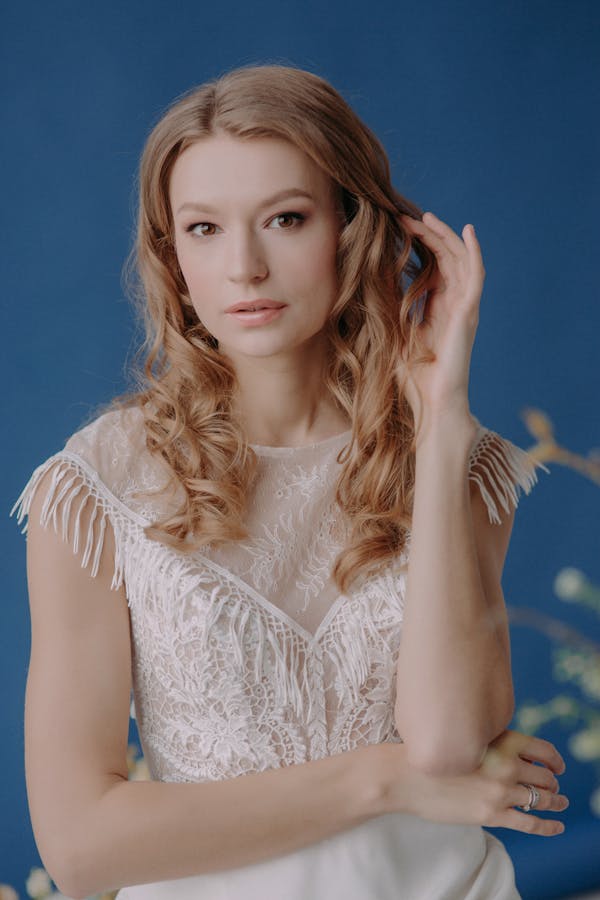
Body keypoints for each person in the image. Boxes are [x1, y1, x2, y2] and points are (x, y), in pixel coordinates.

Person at [10, 63, 568, 900]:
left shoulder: (462, 462)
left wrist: (442, 414)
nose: (244, 267)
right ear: (172, 254)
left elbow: (451, 743)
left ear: (354, 227)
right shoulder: (95, 490)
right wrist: (386, 781)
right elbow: (81, 848)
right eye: (203, 229)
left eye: (285, 218)